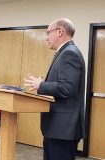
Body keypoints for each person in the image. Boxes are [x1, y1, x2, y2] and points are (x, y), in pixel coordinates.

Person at [24, 18, 85, 160]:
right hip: (58, 128)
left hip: (62, 129)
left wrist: (42, 85)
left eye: (48, 33)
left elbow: (67, 88)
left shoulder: (69, 53)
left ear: (60, 31)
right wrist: (43, 85)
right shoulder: (65, 52)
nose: (46, 38)